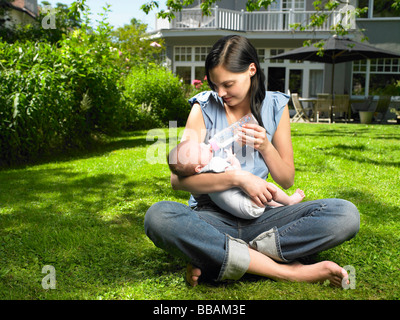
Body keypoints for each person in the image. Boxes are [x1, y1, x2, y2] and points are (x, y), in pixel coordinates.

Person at [145, 35, 360, 287]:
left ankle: (219, 256)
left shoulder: (275, 106)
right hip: (212, 217)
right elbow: (177, 180)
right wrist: (240, 178)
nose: (220, 93)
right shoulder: (203, 107)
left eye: (228, 84)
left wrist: (265, 146)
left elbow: (286, 179)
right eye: (215, 85)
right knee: (158, 217)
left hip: (264, 217)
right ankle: (289, 271)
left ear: (251, 70)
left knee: (345, 215)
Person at [167, 139, 305, 219]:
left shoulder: (197, 180)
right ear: (198, 167)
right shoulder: (215, 163)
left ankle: (278, 206)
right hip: (249, 207)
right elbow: (237, 173)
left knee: (251, 194)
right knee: (265, 186)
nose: (204, 145)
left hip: (235, 211)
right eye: (200, 149)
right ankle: (289, 201)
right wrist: (233, 160)